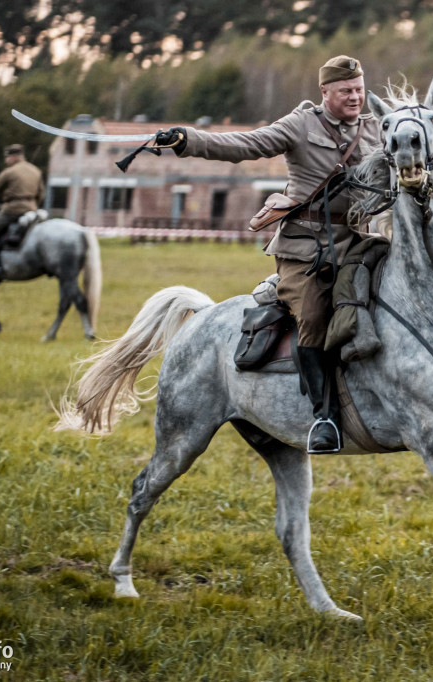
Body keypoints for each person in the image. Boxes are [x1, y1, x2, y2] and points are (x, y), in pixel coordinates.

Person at [156, 55, 381, 454]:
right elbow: (245, 144)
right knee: (313, 316)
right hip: (305, 249)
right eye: (346, 90)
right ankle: (324, 417)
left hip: (359, 243)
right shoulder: (299, 125)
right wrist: (188, 140)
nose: (355, 97)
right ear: (325, 92)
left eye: (360, 90)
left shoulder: (374, 128)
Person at [0, 144, 45, 281]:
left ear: (14, 157)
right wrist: (34, 205)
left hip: (13, 209)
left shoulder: (9, 172)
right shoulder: (36, 171)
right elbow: (42, 194)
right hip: (32, 208)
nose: (6, 160)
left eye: (7, 157)